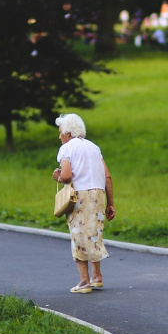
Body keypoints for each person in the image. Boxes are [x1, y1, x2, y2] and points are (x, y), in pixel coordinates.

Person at [51, 114, 116, 294]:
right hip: (98, 194)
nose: (59, 137)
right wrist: (111, 203)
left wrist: (57, 176)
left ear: (68, 132)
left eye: (60, 133)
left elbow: (66, 176)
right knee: (93, 234)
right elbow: (107, 176)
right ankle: (97, 277)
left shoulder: (66, 149)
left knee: (78, 236)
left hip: (80, 196)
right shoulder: (94, 147)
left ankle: (84, 282)